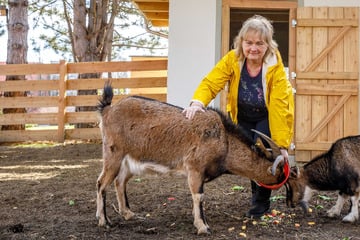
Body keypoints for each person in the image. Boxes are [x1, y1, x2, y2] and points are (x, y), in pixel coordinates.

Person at [182, 15, 294, 218]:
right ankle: (257, 195)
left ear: (268, 45)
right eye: (249, 42)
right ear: (241, 42)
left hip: (266, 116)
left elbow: (280, 107)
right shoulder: (232, 59)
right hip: (241, 114)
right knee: (249, 155)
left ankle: (260, 203)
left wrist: (282, 145)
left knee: (264, 154)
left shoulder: (274, 67)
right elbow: (212, 82)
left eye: (259, 43)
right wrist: (198, 102)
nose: (254, 48)